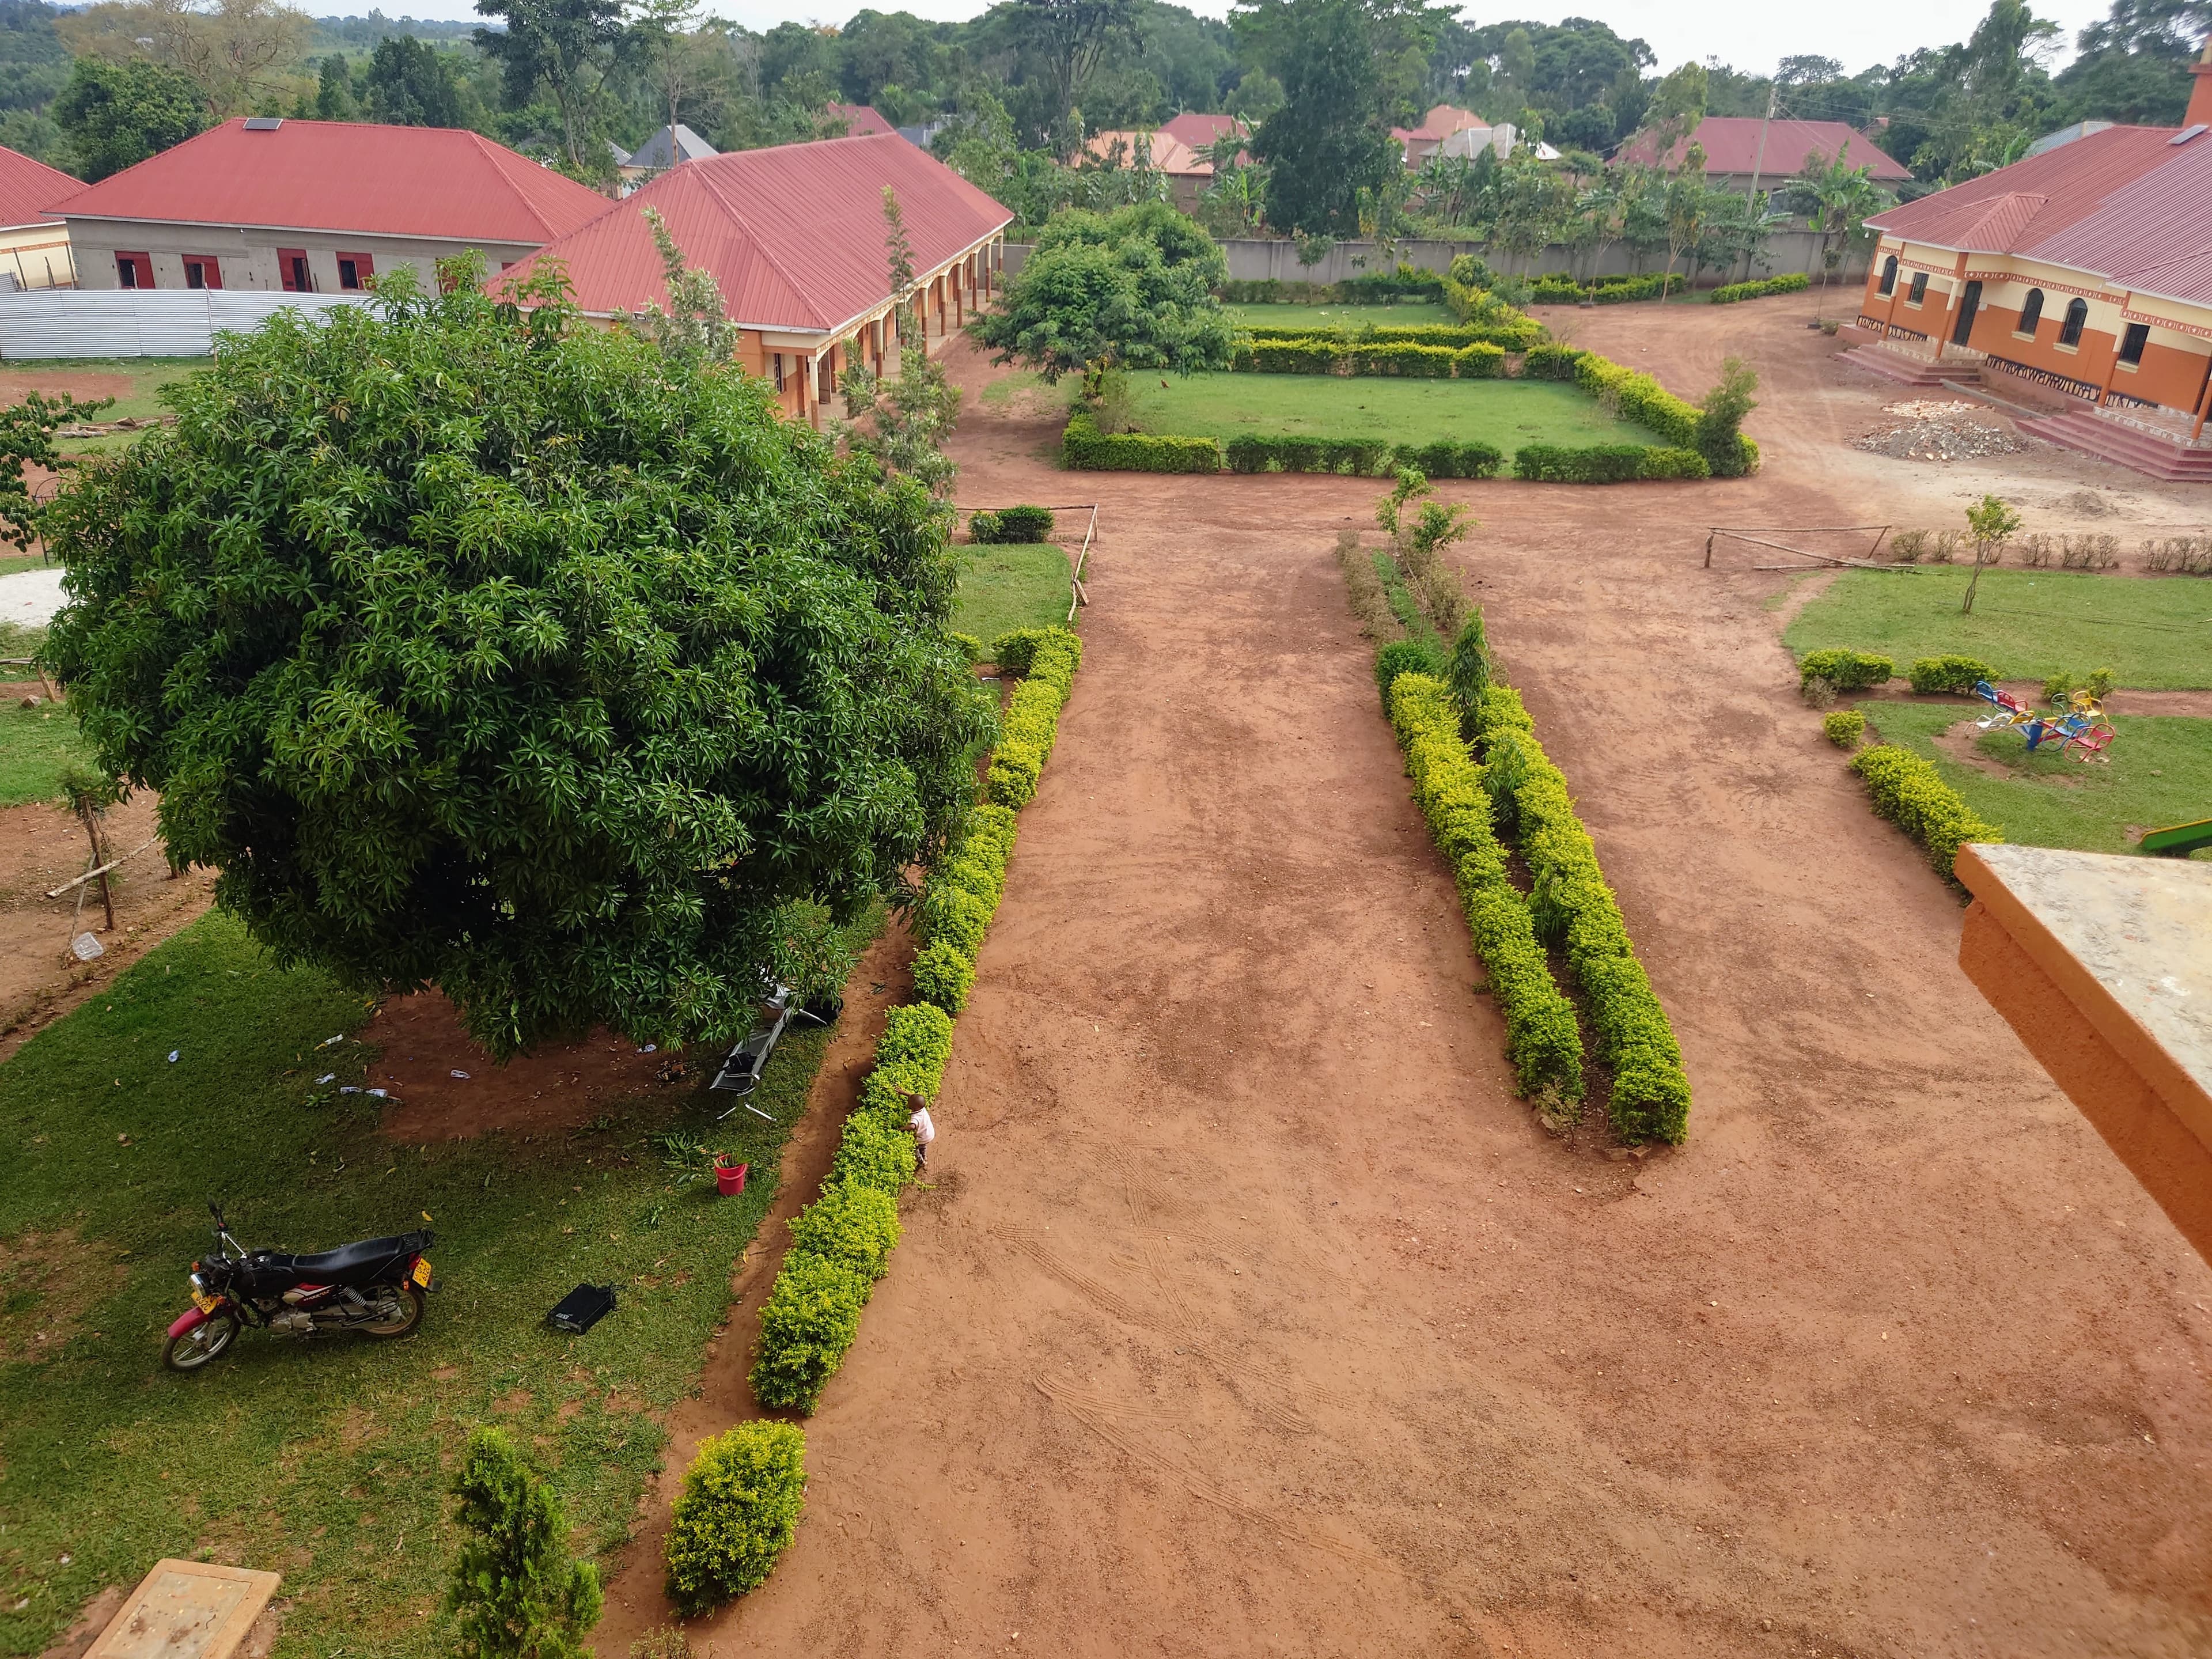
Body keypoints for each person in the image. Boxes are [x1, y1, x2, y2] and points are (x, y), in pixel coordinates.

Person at [907, 1096, 935, 1174]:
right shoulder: (922, 1108)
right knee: (923, 1146)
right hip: (929, 1133)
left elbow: (912, 1126)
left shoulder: (915, 1117)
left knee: (914, 1149)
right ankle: (925, 1156)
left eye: (909, 1103)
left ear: (914, 1107)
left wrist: (901, 1129)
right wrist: (904, 1093)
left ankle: (922, 1162)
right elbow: (914, 1098)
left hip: (922, 1137)